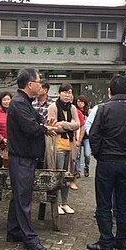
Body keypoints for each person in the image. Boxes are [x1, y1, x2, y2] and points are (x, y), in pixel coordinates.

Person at [87, 75, 126, 250]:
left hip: (106, 160)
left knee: (104, 202)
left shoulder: (103, 109)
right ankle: (122, 239)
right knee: (123, 203)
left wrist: (99, 154)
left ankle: (105, 241)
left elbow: (94, 135)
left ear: (109, 91)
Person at [6, 68, 58, 250]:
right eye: (38, 81)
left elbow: (38, 121)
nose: (40, 84)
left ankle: (13, 231)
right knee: (23, 199)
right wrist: (43, 129)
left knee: (19, 196)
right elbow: (30, 127)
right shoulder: (19, 102)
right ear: (29, 84)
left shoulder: (25, 102)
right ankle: (29, 237)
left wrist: (44, 126)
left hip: (25, 157)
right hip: (21, 157)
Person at [47, 84, 80, 215]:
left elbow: (77, 124)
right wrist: (69, 125)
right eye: (65, 92)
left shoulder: (72, 108)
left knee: (68, 176)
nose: (67, 95)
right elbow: (53, 127)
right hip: (58, 145)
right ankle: (56, 202)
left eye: (69, 93)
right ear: (59, 93)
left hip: (70, 146)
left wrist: (64, 124)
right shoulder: (53, 107)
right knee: (58, 176)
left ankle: (64, 202)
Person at [74, 94, 91, 179]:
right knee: (77, 154)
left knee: (87, 154)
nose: (79, 103)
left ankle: (87, 167)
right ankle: (77, 171)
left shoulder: (88, 112)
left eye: (81, 102)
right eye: (78, 101)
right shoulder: (75, 111)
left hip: (87, 137)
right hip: (78, 135)